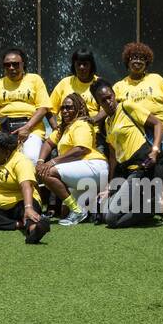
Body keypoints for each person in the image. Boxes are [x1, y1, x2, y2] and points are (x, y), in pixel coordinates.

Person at [113, 42, 163, 225]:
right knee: (150, 171)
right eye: (133, 58)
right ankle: (156, 206)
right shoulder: (119, 86)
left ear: (147, 62)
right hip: (139, 137)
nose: (137, 61)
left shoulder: (157, 80)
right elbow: (110, 109)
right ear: (127, 62)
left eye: (142, 59)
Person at [91, 79, 162, 229]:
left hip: (143, 168)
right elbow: (113, 157)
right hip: (126, 173)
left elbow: (158, 124)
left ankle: (154, 207)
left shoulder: (126, 107)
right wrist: (109, 187)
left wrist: (155, 151)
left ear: (114, 94)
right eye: (103, 100)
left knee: (111, 219)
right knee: (104, 214)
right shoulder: (108, 123)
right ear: (99, 104)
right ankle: (145, 204)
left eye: (109, 96)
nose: (108, 102)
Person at [36, 92, 107, 226]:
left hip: (94, 165)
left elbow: (81, 150)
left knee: (48, 172)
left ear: (79, 108)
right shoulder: (63, 128)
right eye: (62, 108)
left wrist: (51, 162)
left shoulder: (81, 124)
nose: (65, 111)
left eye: (69, 107)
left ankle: (78, 210)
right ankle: (89, 207)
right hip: (80, 169)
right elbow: (48, 143)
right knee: (63, 212)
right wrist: (40, 161)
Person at [0, 131, 49, 243]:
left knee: (29, 215)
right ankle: (20, 224)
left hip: (21, 202)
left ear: (6, 152)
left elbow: (26, 186)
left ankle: (34, 229)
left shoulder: (21, 161)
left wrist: (29, 207)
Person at [0, 48, 50, 162]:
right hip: (4, 129)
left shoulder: (35, 79)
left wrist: (27, 127)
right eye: (7, 65)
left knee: (30, 158)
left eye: (15, 64)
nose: (11, 68)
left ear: (23, 64)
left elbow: (43, 108)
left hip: (31, 128)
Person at [48, 48, 106, 121]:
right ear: (74, 66)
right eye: (78, 64)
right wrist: (56, 128)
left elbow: (106, 109)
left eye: (85, 64)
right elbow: (50, 110)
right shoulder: (64, 83)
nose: (81, 67)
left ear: (91, 66)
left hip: (91, 129)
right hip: (65, 130)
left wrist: (93, 119)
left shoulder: (100, 84)